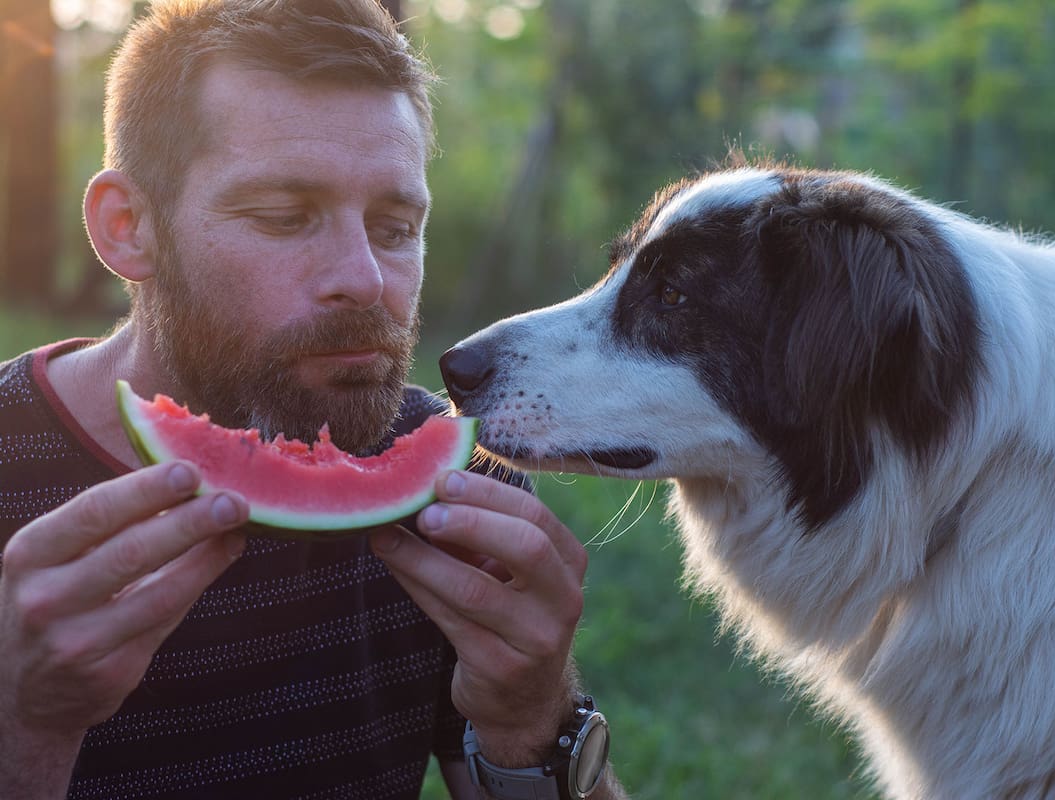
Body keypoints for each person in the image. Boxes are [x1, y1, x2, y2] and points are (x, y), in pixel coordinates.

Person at [0, 1, 628, 798]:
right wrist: (25, 722)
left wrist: (534, 718)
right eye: (285, 217)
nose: (365, 279)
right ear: (129, 227)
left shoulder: (458, 494)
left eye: (395, 226)